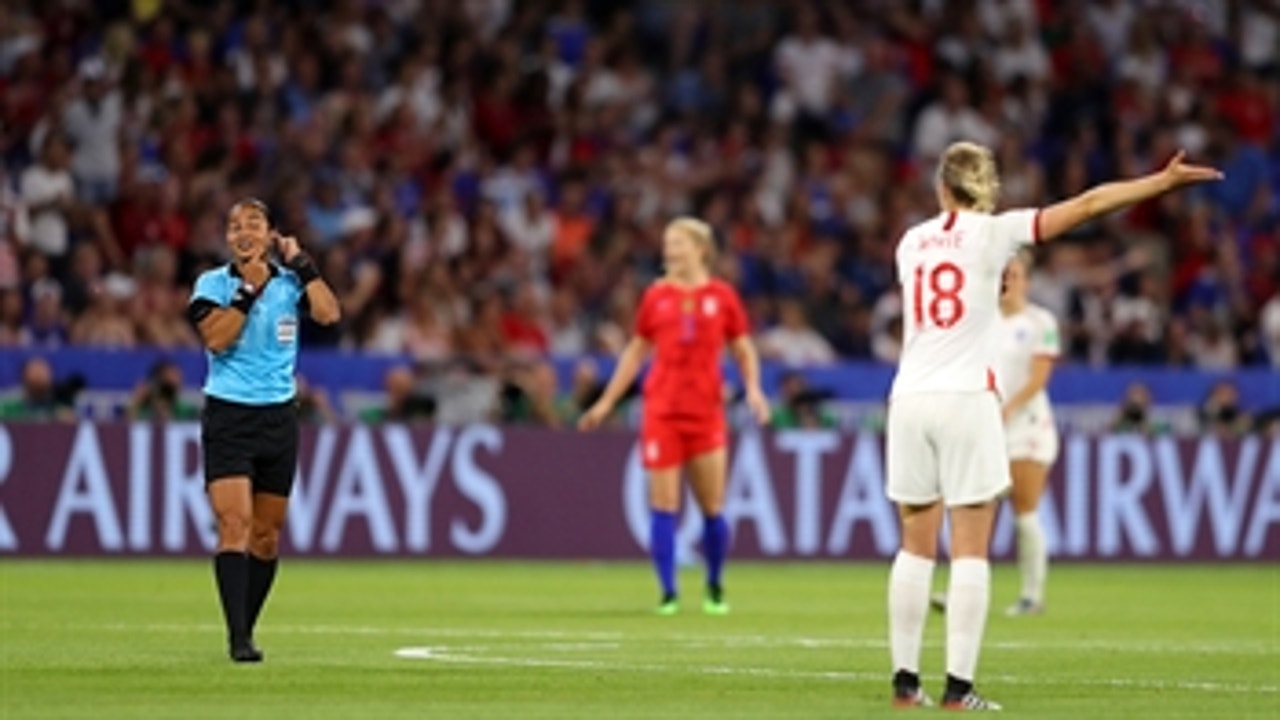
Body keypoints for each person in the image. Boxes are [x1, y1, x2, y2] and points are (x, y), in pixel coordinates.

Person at [885, 142, 1219, 710]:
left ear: (941, 187)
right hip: (967, 398)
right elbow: (1088, 205)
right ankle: (958, 691)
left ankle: (904, 685)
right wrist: (1158, 185)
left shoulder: (910, 241)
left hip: (909, 397)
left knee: (915, 547)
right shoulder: (996, 233)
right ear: (985, 186)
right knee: (970, 548)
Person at [579, 217, 770, 616]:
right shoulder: (655, 297)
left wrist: (753, 388)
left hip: (705, 413)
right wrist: (607, 401)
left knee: (711, 506)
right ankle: (668, 593)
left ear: (700, 249)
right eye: (667, 243)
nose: (669, 250)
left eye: (678, 242)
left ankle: (714, 585)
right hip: (662, 411)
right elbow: (636, 351)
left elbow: (743, 349)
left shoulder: (722, 296)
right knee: (663, 503)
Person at [186, 198, 340, 662]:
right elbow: (215, 338)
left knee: (267, 538)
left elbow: (330, 314)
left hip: (278, 418)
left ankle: (245, 628)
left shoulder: (291, 283)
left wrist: (304, 265)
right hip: (229, 415)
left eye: (253, 223)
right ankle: (238, 641)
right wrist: (248, 292)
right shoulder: (212, 284)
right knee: (234, 523)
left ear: (271, 234)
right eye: (235, 226)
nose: (243, 231)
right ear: (228, 238)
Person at [995, 250, 1060, 616]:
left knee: (1024, 510)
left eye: (1015, 274)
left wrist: (1009, 407)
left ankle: (1032, 595)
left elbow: (1039, 376)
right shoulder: (984, 322)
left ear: (1027, 281)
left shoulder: (1040, 321)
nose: (1008, 280)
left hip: (1028, 426)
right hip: (992, 425)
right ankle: (966, 588)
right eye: (1003, 274)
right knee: (977, 508)